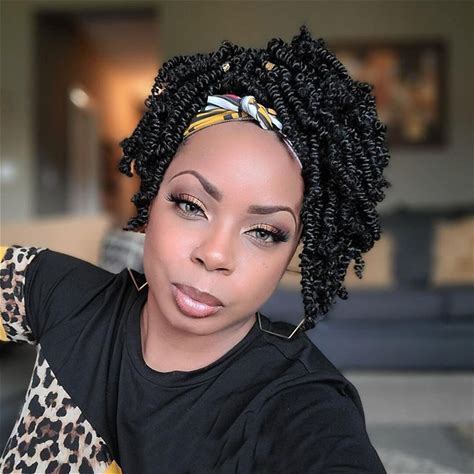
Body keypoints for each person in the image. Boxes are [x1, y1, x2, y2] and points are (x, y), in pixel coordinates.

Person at [0, 25, 390, 473]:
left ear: (293, 251)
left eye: (264, 232)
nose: (215, 254)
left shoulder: (302, 405)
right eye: (190, 205)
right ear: (152, 200)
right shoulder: (66, 295)